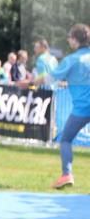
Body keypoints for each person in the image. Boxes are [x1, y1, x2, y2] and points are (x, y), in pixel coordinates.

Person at [28, 24, 90, 189]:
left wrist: (31, 82)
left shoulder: (71, 60)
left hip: (82, 109)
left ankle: (66, 174)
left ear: (75, 40)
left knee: (66, 140)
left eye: (70, 37)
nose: (68, 40)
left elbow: (50, 77)